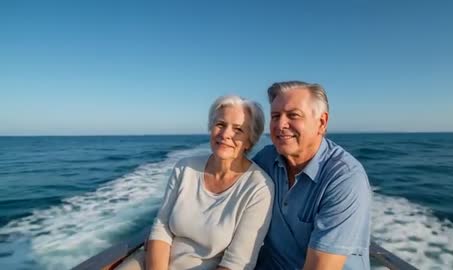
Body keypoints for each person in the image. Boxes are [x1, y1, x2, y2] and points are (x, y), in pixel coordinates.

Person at [117, 95, 274, 270]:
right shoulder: (185, 167)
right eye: (220, 125)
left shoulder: (259, 187)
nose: (225, 134)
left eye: (238, 129)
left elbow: (237, 263)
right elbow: (161, 228)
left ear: (249, 140)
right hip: (154, 262)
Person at [253, 81, 371, 270]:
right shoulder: (265, 160)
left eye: (293, 115)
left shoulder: (344, 179)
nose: (280, 124)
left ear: (321, 122)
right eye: (275, 116)